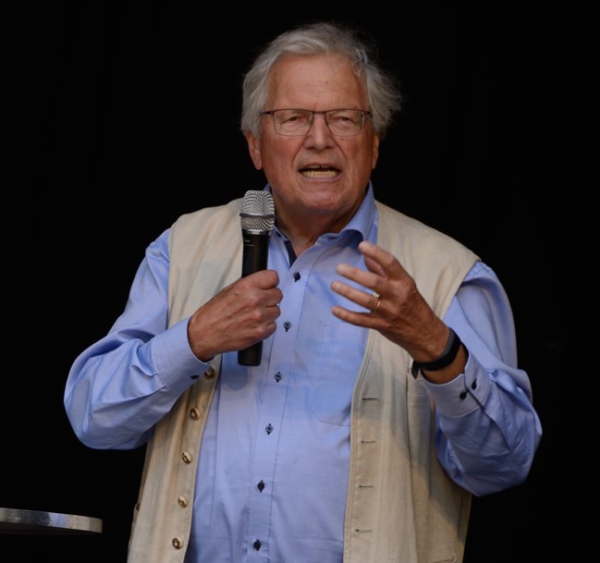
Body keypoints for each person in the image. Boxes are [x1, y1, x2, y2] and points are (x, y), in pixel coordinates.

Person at [64, 21, 542, 563]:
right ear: (255, 145)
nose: (320, 138)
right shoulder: (183, 248)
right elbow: (93, 418)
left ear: (374, 145)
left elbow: (505, 466)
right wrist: (192, 340)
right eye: (293, 118)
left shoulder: (447, 273)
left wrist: (438, 348)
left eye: (344, 118)